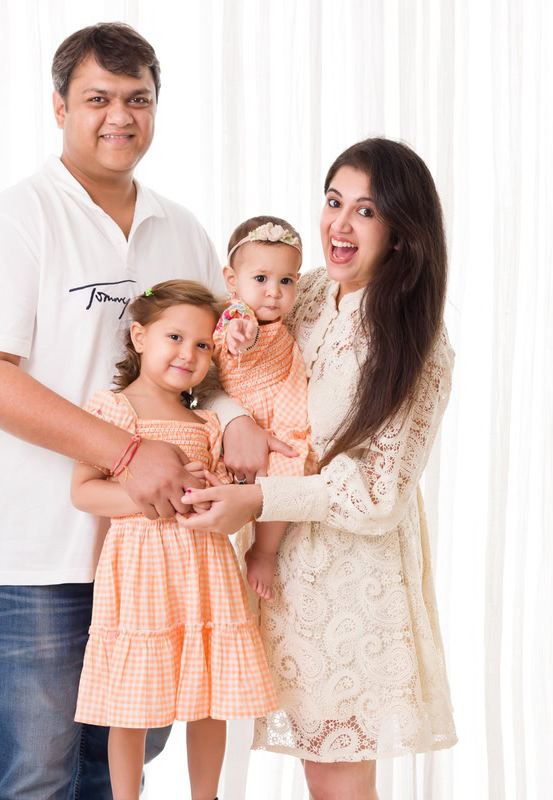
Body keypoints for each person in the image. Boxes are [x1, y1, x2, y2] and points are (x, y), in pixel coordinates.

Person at [0, 23, 256, 800]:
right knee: (37, 780)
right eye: (97, 98)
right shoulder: (16, 219)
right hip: (42, 560)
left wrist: (237, 414)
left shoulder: (181, 229)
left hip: (164, 561)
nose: (119, 116)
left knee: (117, 779)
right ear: (58, 108)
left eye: (137, 100)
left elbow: (201, 367)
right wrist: (125, 452)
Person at [179, 138, 459, 800]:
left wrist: (258, 500)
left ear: (399, 232)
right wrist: (232, 417)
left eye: (364, 211)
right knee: (317, 772)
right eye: (334, 201)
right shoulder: (296, 293)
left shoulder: (418, 344)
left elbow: (378, 495)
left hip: (352, 585)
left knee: (339, 781)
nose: (338, 223)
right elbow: (214, 367)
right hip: (279, 575)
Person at [71, 280, 279, 800]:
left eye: (204, 344)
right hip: (141, 570)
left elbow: (228, 497)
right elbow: (85, 494)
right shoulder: (113, 410)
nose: (189, 354)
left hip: (203, 568)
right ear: (139, 337)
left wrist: (214, 492)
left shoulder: (208, 422)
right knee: (132, 700)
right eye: (175, 338)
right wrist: (160, 495)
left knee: (210, 697)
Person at [211, 216, 313, 602]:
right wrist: (241, 332)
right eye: (261, 279)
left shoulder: (285, 323)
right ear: (232, 280)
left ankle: (264, 550)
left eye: (286, 281)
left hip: (282, 419)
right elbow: (238, 329)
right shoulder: (238, 318)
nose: (273, 292)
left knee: (289, 468)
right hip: (244, 418)